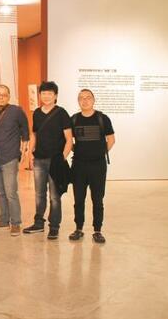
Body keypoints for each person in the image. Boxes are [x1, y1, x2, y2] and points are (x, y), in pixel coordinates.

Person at [24, 81, 73, 240]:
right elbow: (34, 135)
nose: (46, 96)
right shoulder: (37, 113)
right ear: (40, 95)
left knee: (54, 196)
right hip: (39, 160)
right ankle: (38, 223)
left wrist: (62, 158)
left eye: (49, 93)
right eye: (43, 93)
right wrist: (30, 153)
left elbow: (69, 139)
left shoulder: (61, 113)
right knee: (39, 194)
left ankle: (54, 227)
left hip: (55, 161)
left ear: (55, 96)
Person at [69, 89, 115, 244]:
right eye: (81, 98)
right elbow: (68, 140)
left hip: (98, 165)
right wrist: (77, 150)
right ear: (78, 101)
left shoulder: (102, 118)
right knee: (78, 199)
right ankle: (78, 228)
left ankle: (97, 230)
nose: (85, 100)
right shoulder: (74, 119)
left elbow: (111, 140)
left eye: (88, 97)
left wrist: (100, 152)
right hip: (79, 165)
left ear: (93, 100)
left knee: (97, 199)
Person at [0, 84, 30, 236]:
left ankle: (16, 223)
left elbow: (25, 131)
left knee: (11, 192)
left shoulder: (16, 111)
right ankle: (4, 220)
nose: (1, 97)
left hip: (10, 157)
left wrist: (24, 150)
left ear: (9, 96)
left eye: (4, 95)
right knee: (0, 192)